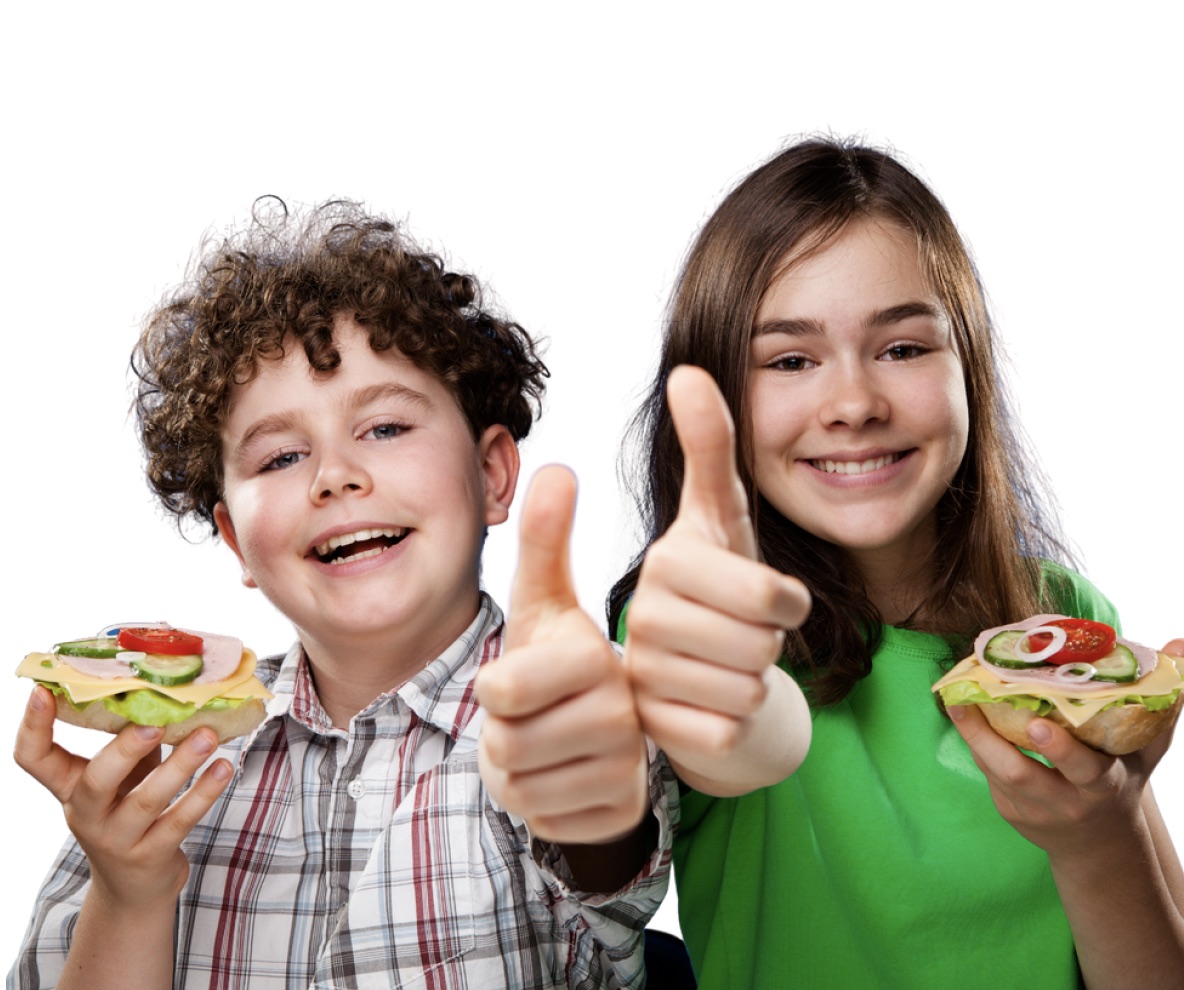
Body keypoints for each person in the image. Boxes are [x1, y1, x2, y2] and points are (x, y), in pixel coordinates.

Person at [10, 199, 676, 989]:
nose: (335, 476)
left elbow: (607, 845)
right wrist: (129, 888)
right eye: (282, 457)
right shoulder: (168, 775)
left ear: (492, 474)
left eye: (387, 429)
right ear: (235, 541)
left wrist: (593, 792)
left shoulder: (566, 707)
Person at [608, 138, 1184, 988]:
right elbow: (710, 737)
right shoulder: (707, 626)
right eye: (791, 360)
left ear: (970, 370)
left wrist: (1099, 834)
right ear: (719, 397)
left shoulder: (1062, 620)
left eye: (904, 349)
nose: (854, 405)